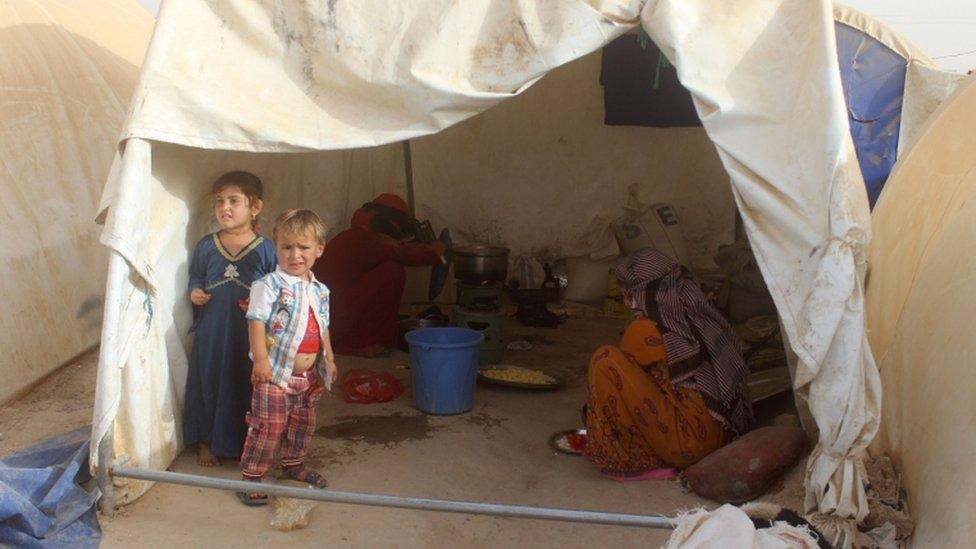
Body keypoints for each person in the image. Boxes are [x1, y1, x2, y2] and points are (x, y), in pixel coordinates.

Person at [583, 247, 753, 478]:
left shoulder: (645, 331)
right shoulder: (700, 313)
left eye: (628, 294)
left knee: (606, 361)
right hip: (722, 436)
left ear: (641, 294)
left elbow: (624, 391)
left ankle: (638, 461)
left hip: (689, 444)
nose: (626, 302)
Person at [238, 209, 338, 506]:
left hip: (308, 377)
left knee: (302, 424)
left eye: (304, 247)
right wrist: (260, 360)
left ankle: (293, 467)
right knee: (268, 426)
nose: (295, 255)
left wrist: (329, 359)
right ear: (276, 247)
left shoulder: (320, 290)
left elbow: (324, 327)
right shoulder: (269, 285)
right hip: (275, 373)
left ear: (319, 249)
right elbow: (255, 321)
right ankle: (252, 477)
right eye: (287, 247)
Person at [184, 171, 277, 466]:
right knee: (208, 380)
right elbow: (196, 277)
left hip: (248, 333)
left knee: (244, 382)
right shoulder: (206, 246)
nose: (225, 207)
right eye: (219, 201)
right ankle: (207, 441)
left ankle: (246, 442)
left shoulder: (265, 249)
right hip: (212, 331)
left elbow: (276, 289)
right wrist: (195, 291)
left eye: (234, 201)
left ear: (255, 207)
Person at [312, 194, 444, 357]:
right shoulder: (366, 239)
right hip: (327, 327)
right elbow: (401, 252)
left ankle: (352, 340)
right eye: (397, 225)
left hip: (323, 322)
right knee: (392, 273)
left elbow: (392, 249)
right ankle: (353, 345)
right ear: (384, 221)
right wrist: (435, 251)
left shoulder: (355, 236)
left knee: (388, 270)